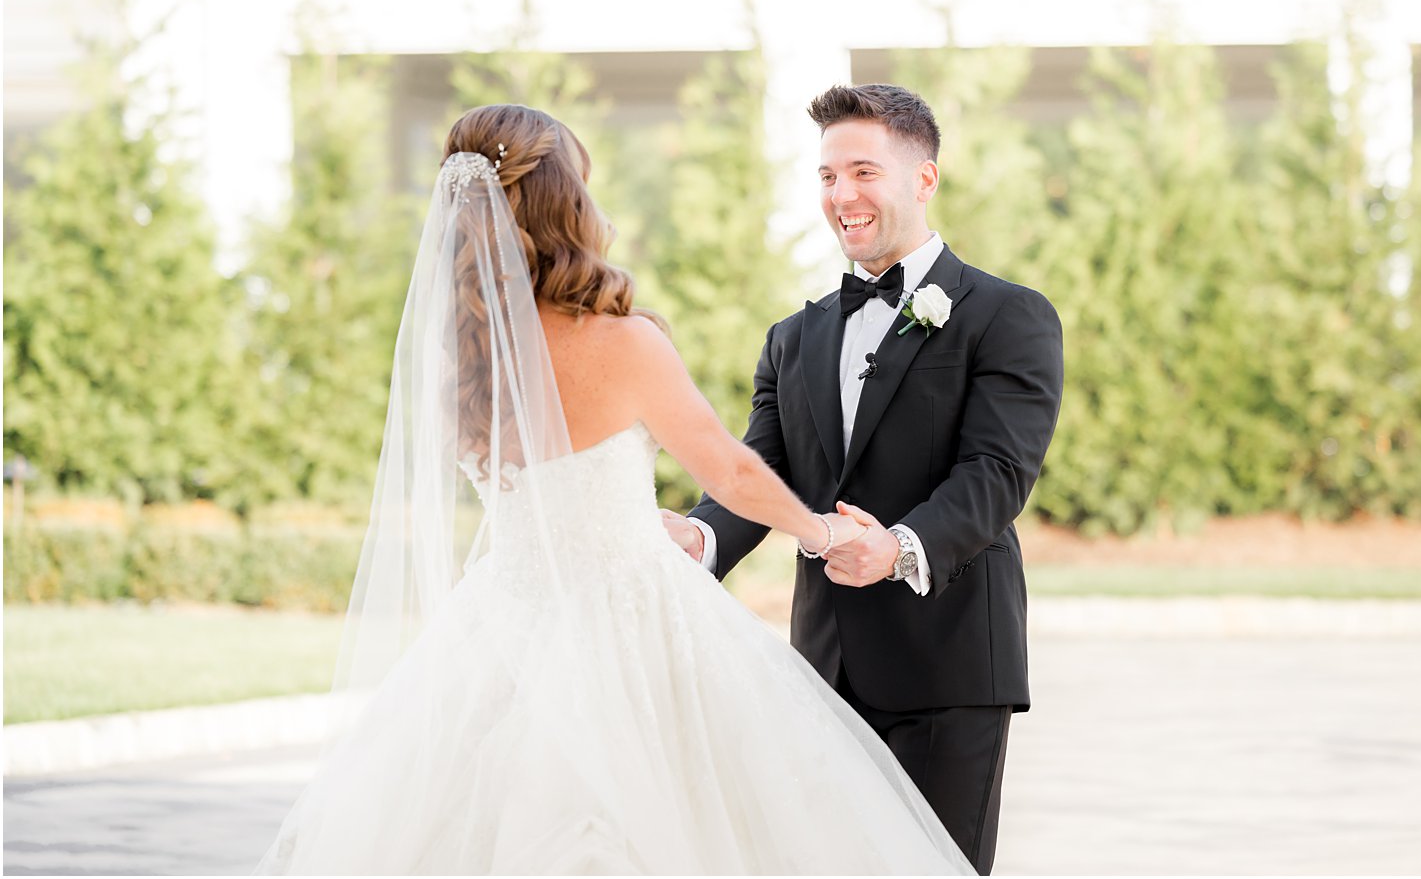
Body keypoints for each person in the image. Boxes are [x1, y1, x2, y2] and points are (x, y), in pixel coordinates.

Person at [254, 103, 974, 875]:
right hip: (636, 622)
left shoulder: (460, 366)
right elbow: (729, 471)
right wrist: (825, 533)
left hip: (502, 621)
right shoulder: (623, 342)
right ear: (567, 202)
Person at [664, 83, 1064, 875]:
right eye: (825, 176)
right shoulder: (792, 338)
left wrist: (899, 546)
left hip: (949, 665)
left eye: (862, 172)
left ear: (924, 178)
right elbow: (764, 471)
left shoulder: (1007, 315)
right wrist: (701, 532)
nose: (841, 195)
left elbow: (997, 471)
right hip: (823, 669)